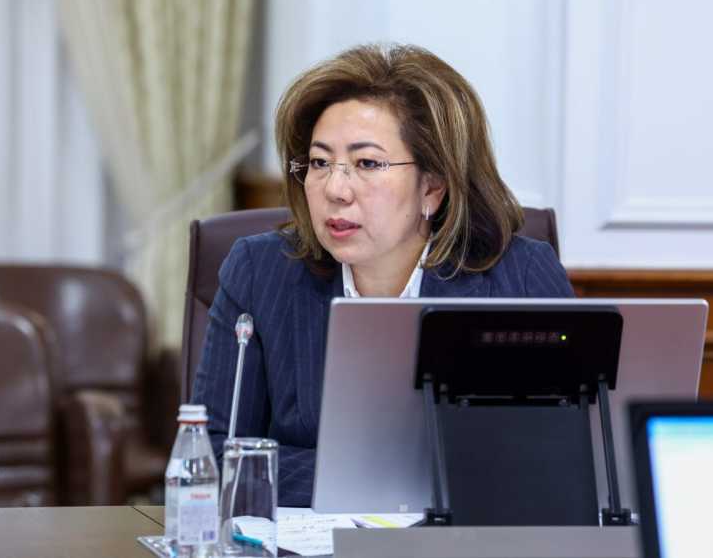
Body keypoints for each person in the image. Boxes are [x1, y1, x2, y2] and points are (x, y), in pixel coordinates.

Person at [192, 44, 574, 507]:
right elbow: (212, 456)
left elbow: (565, 460)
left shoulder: (519, 278)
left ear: (433, 187)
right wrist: (413, 480)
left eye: (367, 164)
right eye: (319, 163)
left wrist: (339, 475)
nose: (336, 189)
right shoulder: (260, 272)